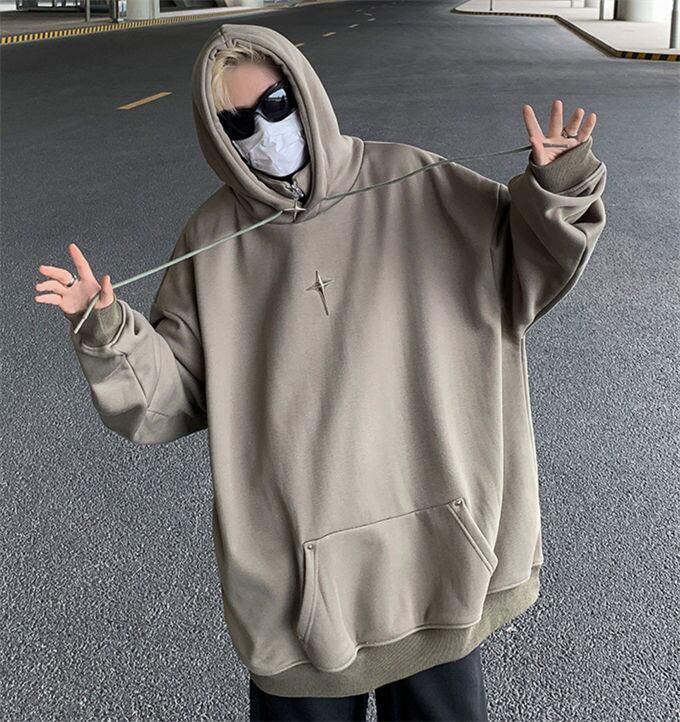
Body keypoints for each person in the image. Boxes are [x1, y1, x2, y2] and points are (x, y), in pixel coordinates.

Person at [34, 23, 607, 721]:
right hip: (302, 604)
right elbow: (167, 396)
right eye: (236, 122)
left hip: (435, 568)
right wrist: (106, 328)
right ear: (216, 136)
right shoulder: (210, 241)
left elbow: (528, 269)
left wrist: (557, 187)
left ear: (303, 93)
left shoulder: (415, 180)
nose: (262, 131)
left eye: (274, 104)